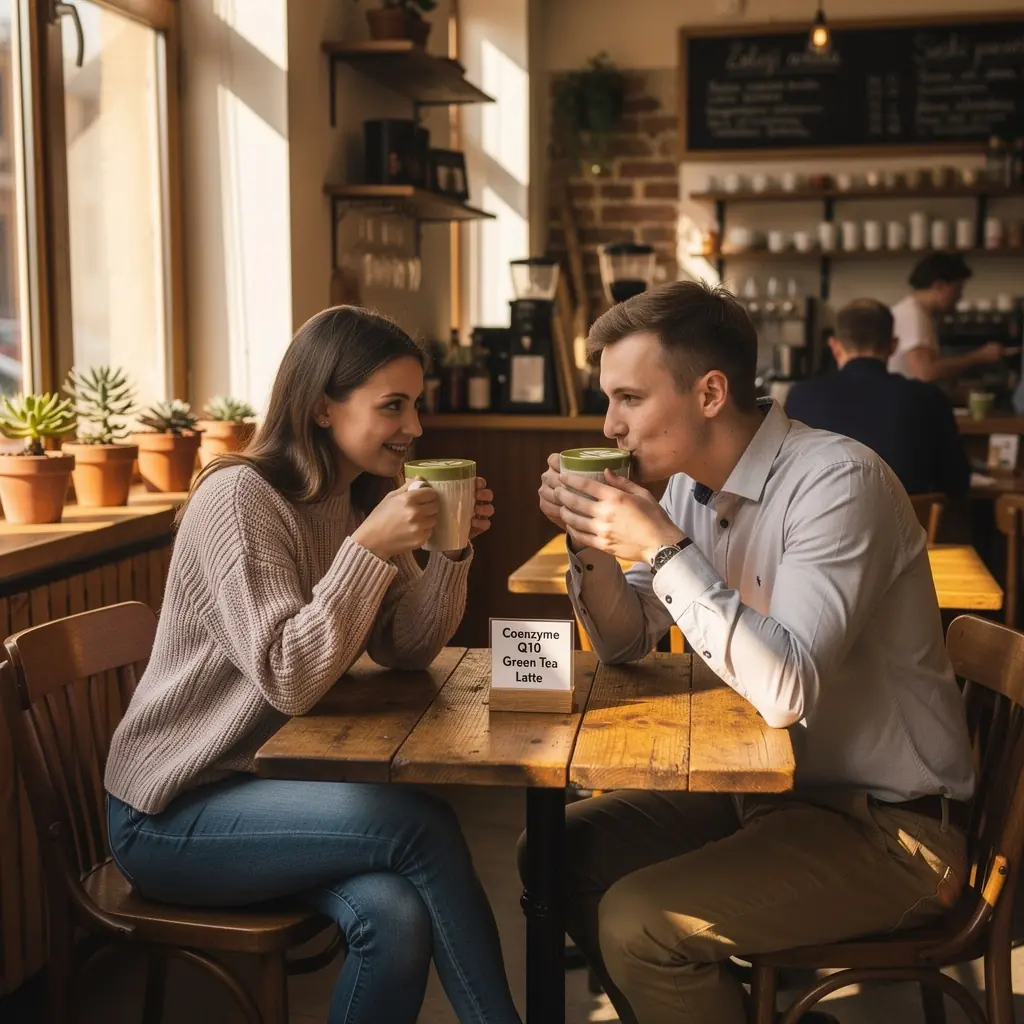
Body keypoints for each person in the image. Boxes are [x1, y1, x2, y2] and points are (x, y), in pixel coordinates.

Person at [528, 281, 974, 1024]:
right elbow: (626, 639)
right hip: (768, 795)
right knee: (551, 850)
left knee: (639, 926)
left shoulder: (836, 482)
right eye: (608, 400)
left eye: (630, 399)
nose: (609, 425)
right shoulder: (683, 492)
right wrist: (593, 546)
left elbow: (787, 689)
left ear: (709, 393)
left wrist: (665, 550)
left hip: (895, 831)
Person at [104, 307, 521, 1024]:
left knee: (395, 913)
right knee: (421, 825)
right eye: (392, 405)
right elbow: (288, 674)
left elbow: (407, 648)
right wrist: (366, 548)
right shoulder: (238, 498)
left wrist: (451, 552)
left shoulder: (352, 497)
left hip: (269, 791)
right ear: (323, 406)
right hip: (172, 812)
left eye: (415, 404)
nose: (415, 427)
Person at [785, 298, 970, 497]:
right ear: (893, 345)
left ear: (835, 347)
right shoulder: (929, 397)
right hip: (907, 526)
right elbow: (957, 482)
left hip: (817, 524)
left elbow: (785, 477)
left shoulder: (801, 396)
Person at [889, 252, 1013, 381]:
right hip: (907, 399)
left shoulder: (914, 311)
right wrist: (979, 357)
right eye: (957, 289)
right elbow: (925, 373)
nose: (960, 296)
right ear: (939, 286)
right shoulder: (913, 316)